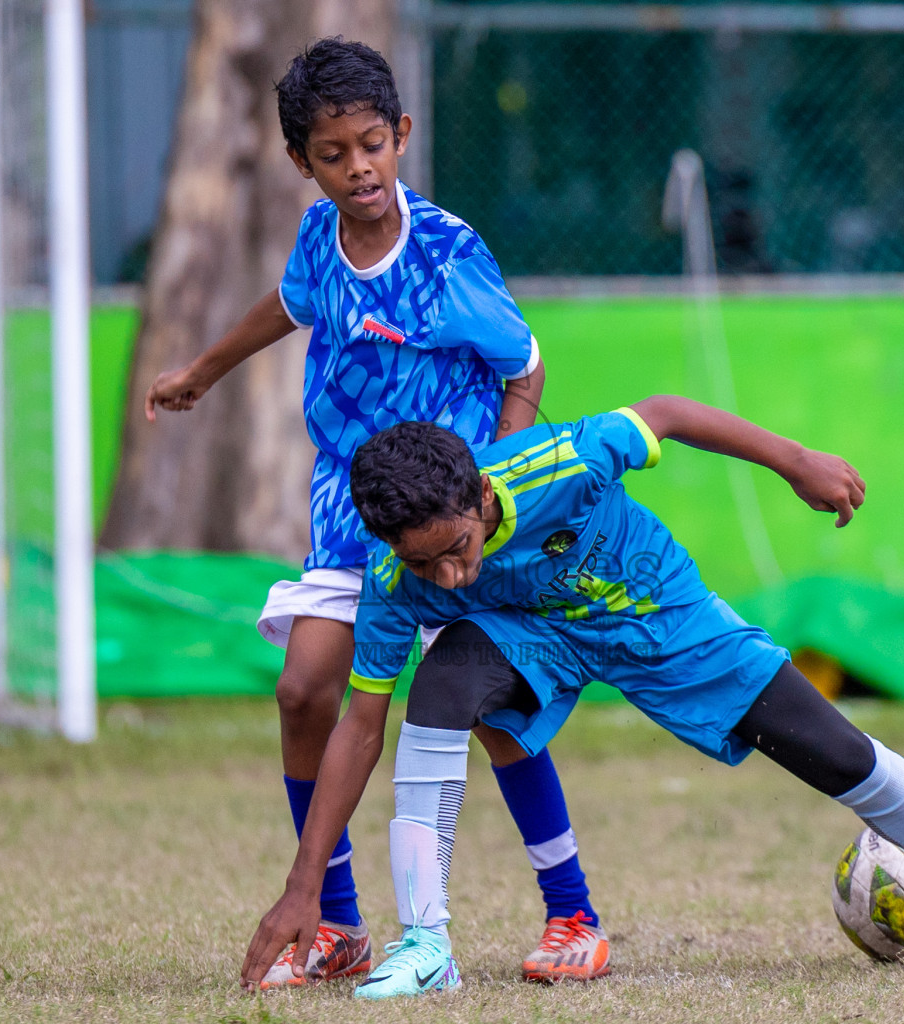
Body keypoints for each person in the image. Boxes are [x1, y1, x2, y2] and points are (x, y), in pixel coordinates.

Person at [240, 396, 904, 999]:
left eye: (459, 546)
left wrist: (795, 461)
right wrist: (301, 885)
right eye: (426, 559)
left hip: (662, 619)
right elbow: (362, 728)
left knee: (843, 758)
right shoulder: (398, 579)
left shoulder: (555, 464)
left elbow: (667, 413)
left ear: (481, 495)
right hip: (534, 635)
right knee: (440, 685)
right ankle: (427, 947)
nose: (449, 570)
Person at [143, 39, 607, 988]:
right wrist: (200, 372)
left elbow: (525, 368)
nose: (357, 168)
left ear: (400, 136)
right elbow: (286, 305)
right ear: (301, 163)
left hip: (445, 523)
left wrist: (487, 487)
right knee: (305, 690)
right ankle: (338, 926)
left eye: (370, 146)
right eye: (332, 154)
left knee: (486, 708)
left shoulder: (446, 256)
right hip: (351, 512)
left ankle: (573, 916)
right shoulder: (320, 238)